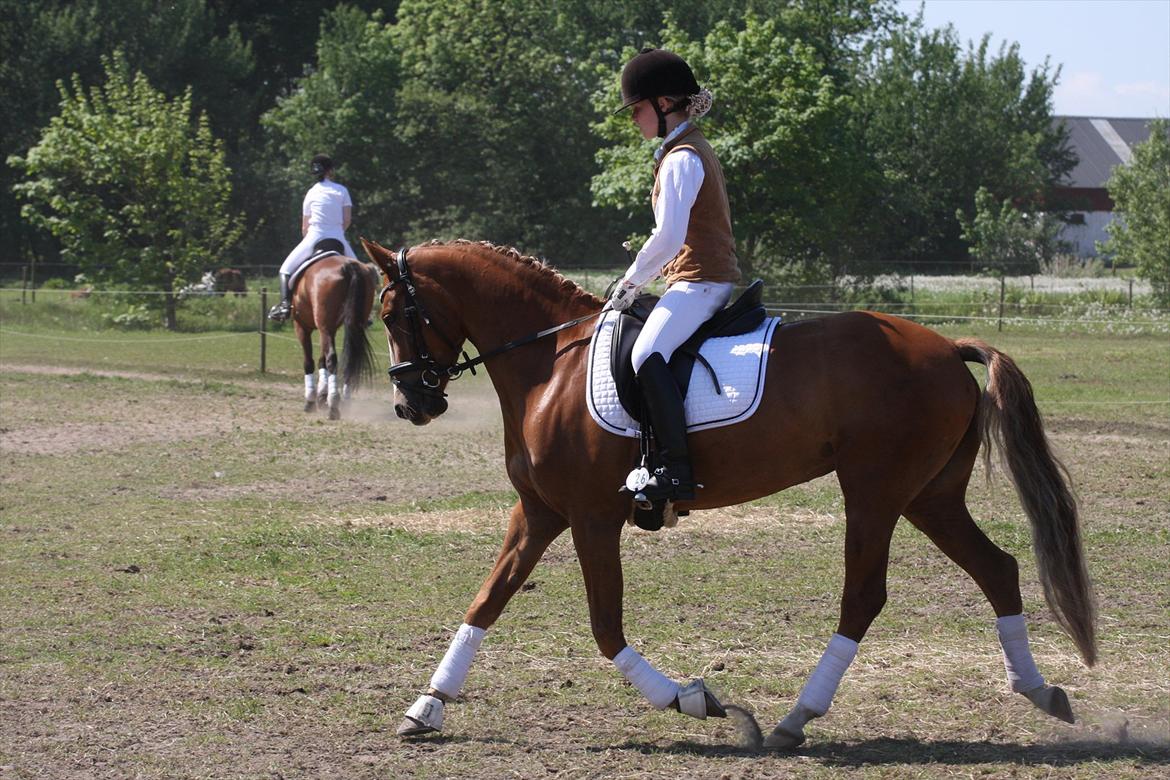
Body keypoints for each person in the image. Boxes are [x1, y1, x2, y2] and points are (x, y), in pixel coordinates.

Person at [608, 48, 741, 502]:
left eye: (639, 109)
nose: (634, 120)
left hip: (700, 281)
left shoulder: (682, 157)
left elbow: (667, 237)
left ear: (665, 105)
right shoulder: (680, 150)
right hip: (695, 279)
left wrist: (629, 283)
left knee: (645, 354)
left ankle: (675, 470)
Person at [268, 154, 356, 321]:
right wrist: (337, 232)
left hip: (314, 236)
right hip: (338, 237)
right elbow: (347, 220)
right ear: (331, 171)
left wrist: (308, 239)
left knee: (285, 270)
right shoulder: (342, 190)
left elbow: (304, 226)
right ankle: (363, 314)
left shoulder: (310, 193)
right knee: (361, 271)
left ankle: (285, 306)